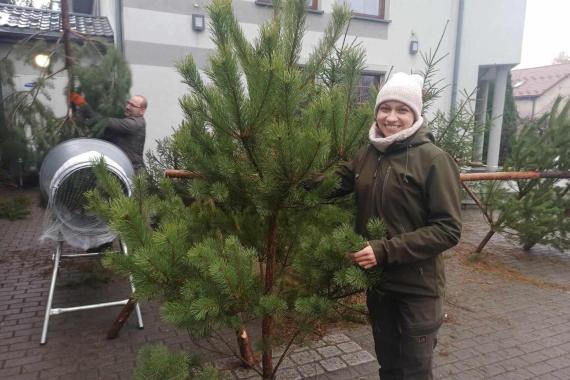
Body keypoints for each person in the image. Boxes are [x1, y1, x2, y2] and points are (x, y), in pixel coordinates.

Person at [335, 72, 462, 379]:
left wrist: (384, 250)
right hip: (380, 286)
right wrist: (288, 178)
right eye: (385, 108)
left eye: (401, 110)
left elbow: (448, 229)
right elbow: (334, 183)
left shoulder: (433, 159)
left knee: (414, 372)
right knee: (389, 367)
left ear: (415, 114)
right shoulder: (368, 154)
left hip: (418, 289)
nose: (391, 118)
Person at [70, 92, 147, 172]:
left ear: (142, 111)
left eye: (132, 105)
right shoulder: (131, 122)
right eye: (128, 103)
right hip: (128, 170)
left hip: (134, 173)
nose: (127, 107)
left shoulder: (134, 124)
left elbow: (104, 122)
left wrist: (84, 105)